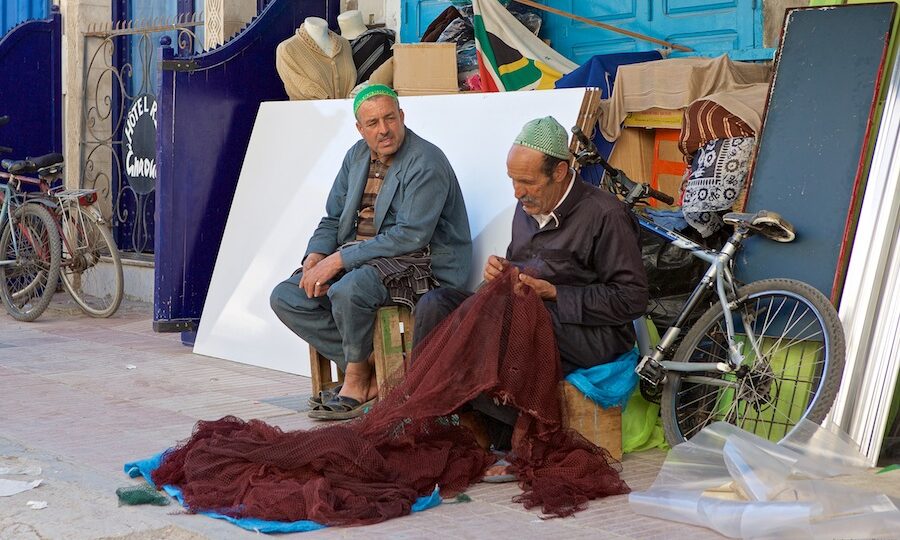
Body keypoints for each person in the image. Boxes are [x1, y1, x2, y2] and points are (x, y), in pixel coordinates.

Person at [413, 115, 648, 455]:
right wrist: (503, 271)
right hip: (533, 316)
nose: (517, 191)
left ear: (560, 172)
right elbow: (522, 265)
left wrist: (555, 292)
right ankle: (446, 414)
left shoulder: (605, 215)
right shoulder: (526, 208)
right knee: (437, 305)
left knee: (501, 323)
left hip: (591, 335)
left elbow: (631, 299)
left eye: (527, 181)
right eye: (512, 180)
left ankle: (505, 433)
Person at [270, 84, 472, 420]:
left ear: (402, 117)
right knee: (288, 296)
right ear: (360, 129)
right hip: (364, 258)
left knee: (350, 289)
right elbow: (333, 218)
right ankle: (375, 368)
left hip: (424, 261)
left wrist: (339, 260)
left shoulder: (426, 161)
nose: (384, 130)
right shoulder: (356, 156)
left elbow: (411, 235)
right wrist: (316, 256)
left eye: (390, 119)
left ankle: (357, 380)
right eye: (373, 123)